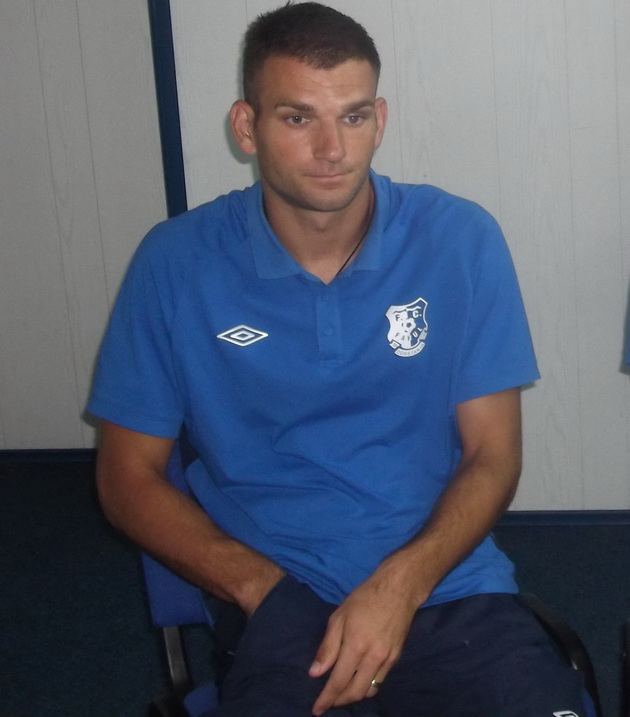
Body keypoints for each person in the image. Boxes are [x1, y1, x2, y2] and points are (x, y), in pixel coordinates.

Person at [88, 3, 592, 716]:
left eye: (353, 117)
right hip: (279, 597)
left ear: (379, 120)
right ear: (246, 127)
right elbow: (126, 476)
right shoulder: (174, 263)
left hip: (446, 584)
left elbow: (494, 454)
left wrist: (400, 585)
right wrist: (261, 591)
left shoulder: (459, 239)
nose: (332, 149)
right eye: (298, 118)